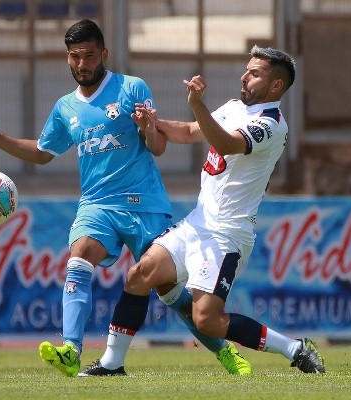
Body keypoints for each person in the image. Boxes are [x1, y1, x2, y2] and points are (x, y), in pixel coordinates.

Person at [0, 19, 251, 377]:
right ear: (67, 59)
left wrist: (149, 128)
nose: (82, 64)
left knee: (169, 290)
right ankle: (71, 349)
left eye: (88, 56)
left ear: (103, 54)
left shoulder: (132, 88)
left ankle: (224, 352)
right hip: (97, 205)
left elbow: (158, 147)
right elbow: (42, 153)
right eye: (75, 57)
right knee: (80, 254)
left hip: (145, 205)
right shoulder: (65, 108)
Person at [79, 46, 325, 376]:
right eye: (247, 69)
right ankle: (112, 363)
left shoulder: (272, 124)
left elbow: (225, 144)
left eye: (255, 73)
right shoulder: (235, 107)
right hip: (197, 224)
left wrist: (197, 103)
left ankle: (294, 348)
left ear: (276, 85)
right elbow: (190, 131)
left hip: (227, 235)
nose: (245, 76)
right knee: (140, 275)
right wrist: (152, 122)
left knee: (207, 320)